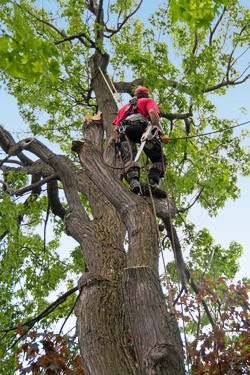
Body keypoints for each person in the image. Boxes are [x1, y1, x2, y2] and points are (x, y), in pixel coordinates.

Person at [113, 86, 167, 195]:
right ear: (146, 95)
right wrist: (160, 131)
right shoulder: (148, 101)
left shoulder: (123, 108)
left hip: (124, 132)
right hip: (141, 129)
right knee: (160, 159)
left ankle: (134, 181)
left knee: (129, 157)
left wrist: (117, 148)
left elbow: (115, 130)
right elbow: (152, 112)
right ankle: (151, 184)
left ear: (135, 95)